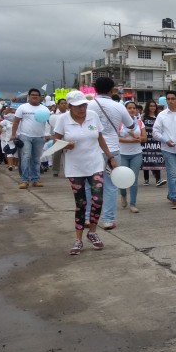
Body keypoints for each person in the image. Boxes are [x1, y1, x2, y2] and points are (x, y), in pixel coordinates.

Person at [53, 90, 118, 255]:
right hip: (75, 168)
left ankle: (93, 232)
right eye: (77, 106)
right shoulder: (63, 120)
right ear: (69, 107)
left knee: (98, 199)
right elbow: (55, 141)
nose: (82, 109)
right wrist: (65, 144)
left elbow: (100, 137)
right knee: (81, 203)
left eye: (83, 105)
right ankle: (78, 239)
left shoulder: (92, 116)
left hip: (95, 163)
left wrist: (110, 156)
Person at [89, 77, 136, 229]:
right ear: (112, 90)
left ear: (95, 89)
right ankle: (108, 219)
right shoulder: (119, 106)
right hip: (113, 151)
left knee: (89, 185)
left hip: (91, 150)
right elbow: (130, 125)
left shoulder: (88, 106)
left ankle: (87, 218)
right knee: (110, 186)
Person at [12, 89, 48, 189]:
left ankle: (35, 179)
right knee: (26, 157)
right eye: (32, 95)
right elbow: (16, 122)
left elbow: (47, 122)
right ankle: (25, 180)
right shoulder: (22, 107)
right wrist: (13, 135)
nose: (35, 96)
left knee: (36, 159)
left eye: (37, 95)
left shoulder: (44, 109)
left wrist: (47, 134)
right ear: (29, 96)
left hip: (39, 137)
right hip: (25, 136)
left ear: (40, 97)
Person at [118, 101, 147, 213]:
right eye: (129, 108)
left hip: (136, 153)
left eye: (134, 108)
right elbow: (115, 138)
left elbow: (145, 138)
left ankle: (133, 203)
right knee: (123, 179)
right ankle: (123, 194)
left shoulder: (140, 123)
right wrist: (130, 140)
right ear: (125, 110)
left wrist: (139, 139)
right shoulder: (119, 123)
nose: (132, 110)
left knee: (134, 180)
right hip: (122, 154)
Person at [141, 100, 164, 186]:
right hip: (146, 141)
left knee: (156, 158)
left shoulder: (159, 116)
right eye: (151, 106)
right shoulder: (143, 116)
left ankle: (158, 179)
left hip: (156, 141)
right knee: (146, 159)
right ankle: (146, 179)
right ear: (147, 107)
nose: (152, 107)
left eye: (154, 106)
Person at [51, 98, 68, 177]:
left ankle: (67, 171)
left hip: (67, 136)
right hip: (57, 136)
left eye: (65, 103)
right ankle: (55, 170)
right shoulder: (54, 115)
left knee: (67, 154)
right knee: (56, 154)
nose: (64, 104)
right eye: (62, 103)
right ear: (58, 105)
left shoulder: (70, 114)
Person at [0, 107, 18, 172]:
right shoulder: (5, 121)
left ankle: (16, 165)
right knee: (9, 153)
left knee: (16, 154)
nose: (13, 111)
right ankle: (10, 165)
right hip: (9, 139)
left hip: (17, 139)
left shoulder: (18, 119)